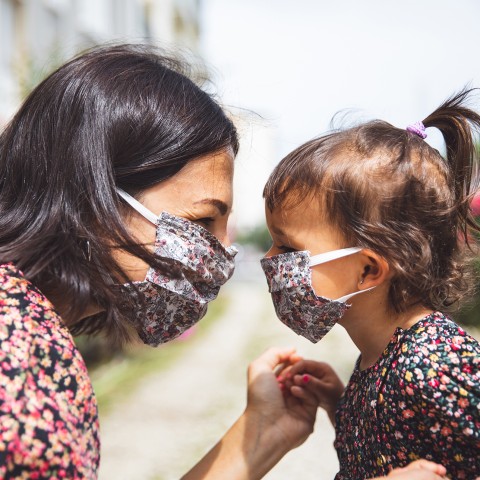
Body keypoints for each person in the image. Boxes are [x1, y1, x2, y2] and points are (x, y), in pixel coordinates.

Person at [0, 43, 447, 480]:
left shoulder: (31, 329)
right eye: (202, 220)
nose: (223, 254)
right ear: (91, 197)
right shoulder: (20, 363)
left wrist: (259, 436)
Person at [261, 89, 480, 479]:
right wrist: (340, 406)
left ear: (367, 271)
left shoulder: (437, 363)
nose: (269, 259)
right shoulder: (382, 356)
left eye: (288, 246)